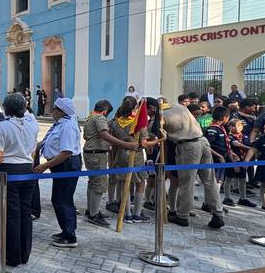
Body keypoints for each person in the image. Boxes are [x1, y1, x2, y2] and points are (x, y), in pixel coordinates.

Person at [0, 93, 39, 266]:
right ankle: (24, 253)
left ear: (7, 108)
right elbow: (33, 151)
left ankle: (11, 255)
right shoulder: (32, 126)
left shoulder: (3, 127)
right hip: (26, 169)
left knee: (10, 214)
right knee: (25, 213)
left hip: (8, 171)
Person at [161, 100, 225, 228]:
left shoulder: (161, 114)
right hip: (203, 142)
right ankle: (218, 213)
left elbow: (159, 136)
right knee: (210, 180)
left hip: (188, 146)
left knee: (187, 182)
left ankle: (182, 215)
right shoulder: (178, 106)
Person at [35, 98, 82, 248]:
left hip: (66, 166)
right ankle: (65, 230)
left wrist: (45, 165)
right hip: (60, 166)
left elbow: (66, 152)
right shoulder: (60, 124)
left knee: (63, 200)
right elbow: (50, 142)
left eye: (54, 109)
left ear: (62, 111)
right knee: (59, 199)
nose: (52, 111)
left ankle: (70, 236)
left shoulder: (67, 126)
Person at [82, 100, 136, 228]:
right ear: (105, 111)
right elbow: (104, 134)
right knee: (99, 184)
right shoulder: (100, 118)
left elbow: (86, 136)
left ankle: (91, 210)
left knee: (92, 183)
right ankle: (93, 215)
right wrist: (125, 144)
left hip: (90, 152)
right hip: (97, 154)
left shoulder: (90, 117)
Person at [109, 97, 152, 224]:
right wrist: (157, 141)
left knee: (123, 184)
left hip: (121, 154)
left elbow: (114, 141)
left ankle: (126, 214)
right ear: (134, 108)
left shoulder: (116, 122)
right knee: (140, 182)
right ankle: (137, 214)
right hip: (136, 155)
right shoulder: (138, 123)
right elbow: (144, 144)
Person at [222, 119, 255, 208]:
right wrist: (234, 164)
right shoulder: (228, 137)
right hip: (232, 161)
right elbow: (231, 148)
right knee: (229, 179)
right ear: (229, 127)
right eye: (233, 126)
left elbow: (250, 148)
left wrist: (246, 161)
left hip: (243, 161)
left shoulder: (245, 137)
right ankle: (227, 197)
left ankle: (243, 198)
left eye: (238, 126)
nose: (236, 128)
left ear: (242, 127)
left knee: (243, 180)